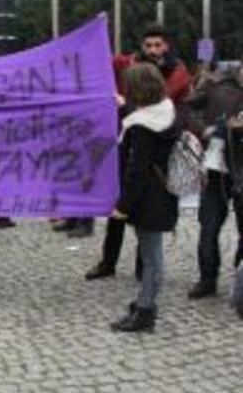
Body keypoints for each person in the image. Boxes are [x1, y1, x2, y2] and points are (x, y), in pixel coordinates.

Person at [85, 27, 192, 281]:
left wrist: (127, 106)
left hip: (154, 147)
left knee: (145, 209)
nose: (153, 50)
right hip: (126, 141)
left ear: (166, 46)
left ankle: (144, 267)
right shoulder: (132, 62)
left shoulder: (177, 73)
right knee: (118, 205)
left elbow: (159, 110)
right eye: (149, 45)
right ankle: (108, 261)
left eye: (158, 45)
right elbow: (104, 59)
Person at [109, 63, 180, 333]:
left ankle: (145, 312)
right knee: (151, 255)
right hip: (162, 194)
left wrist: (123, 207)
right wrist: (124, 105)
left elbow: (136, 171)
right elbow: (144, 114)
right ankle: (143, 302)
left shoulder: (141, 128)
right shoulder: (166, 111)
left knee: (151, 259)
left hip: (148, 198)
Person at [184, 64, 243, 299]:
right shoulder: (218, 87)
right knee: (208, 229)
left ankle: (239, 285)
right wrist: (205, 130)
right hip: (215, 170)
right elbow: (189, 109)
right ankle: (207, 280)